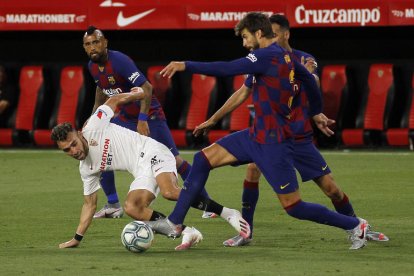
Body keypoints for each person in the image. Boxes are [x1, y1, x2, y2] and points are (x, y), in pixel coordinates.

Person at [149, 12, 370, 250]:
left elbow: (227, 68)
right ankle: (175, 222)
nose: (244, 44)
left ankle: (355, 224)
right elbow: (308, 80)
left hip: (273, 143)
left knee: (293, 206)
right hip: (255, 135)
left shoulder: (266, 56)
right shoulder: (286, 56)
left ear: (258, 33)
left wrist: (185, 65)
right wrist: (316, 111)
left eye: (245, 37)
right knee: (202, 159)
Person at [223, 14, 389, 247]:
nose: (271, 36)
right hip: (272, 136)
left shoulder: (303, 58)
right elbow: (245, 91)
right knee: (252, 172)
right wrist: (214, 118)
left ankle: (358, 226)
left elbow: (313, 88)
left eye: (275, 32)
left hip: (298, 138)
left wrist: (311, 92)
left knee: (332, 189)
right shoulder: (261, 60)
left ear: (286, 34)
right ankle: (246, 232)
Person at [52, 90, 243, 250]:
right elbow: (89, 205)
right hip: (140, 169)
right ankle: (186, 231)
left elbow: (114, 99)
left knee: (169, 192)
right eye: (67, 150)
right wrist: (77, 238)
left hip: (152, 150)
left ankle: (228, 213)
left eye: (74, 144)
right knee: (132, 208)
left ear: (78, 134)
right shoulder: (86, 168)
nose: (74, 151)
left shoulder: (94, 125)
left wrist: (139, 93)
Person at [82, 26, 215, 219]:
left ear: (105, 43)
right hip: (126, 118)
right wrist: (94, 117)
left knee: (175, 162)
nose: (92, 47)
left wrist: (143, 120)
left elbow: (147, 87)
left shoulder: (120, 61)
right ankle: (113, 204)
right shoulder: (92, 66)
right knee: (97, 153)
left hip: (150, 117)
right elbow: (101, 90)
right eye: (88, 44)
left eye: (96, 42)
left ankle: (207, 204)